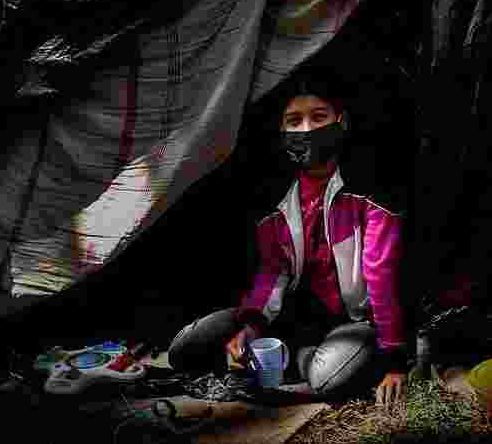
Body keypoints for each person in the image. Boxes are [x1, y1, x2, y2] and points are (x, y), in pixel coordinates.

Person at [168, 71, 409, 407]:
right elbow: (272, 272)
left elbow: (381, 276)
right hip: (295, 318)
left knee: (330, 378)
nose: (307, 129)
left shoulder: (371, 191)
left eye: (319, 117)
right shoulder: (277, 202)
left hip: (354, 320)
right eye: (294, 121)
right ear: (282, 134)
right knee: (187, 349)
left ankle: (301, 360)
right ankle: (295, 356)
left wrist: (394, 358)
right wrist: (250, 327)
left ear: (341, 122)